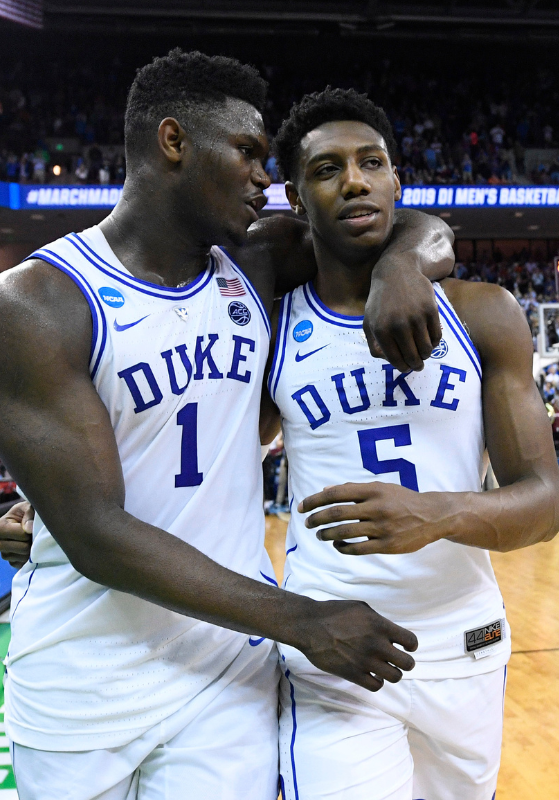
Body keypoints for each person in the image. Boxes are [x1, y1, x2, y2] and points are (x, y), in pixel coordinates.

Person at [0, 49, 452, 799]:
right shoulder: (34, 302)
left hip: (225, 671)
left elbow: (406, 222)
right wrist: (304, 619)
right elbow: (96, 534)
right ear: (173, 143)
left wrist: (401, 269)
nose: (267, 177)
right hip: (83, 671)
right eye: (249, 153)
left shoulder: (255, 265)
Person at [264, 88, 559, 799]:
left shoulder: (485, 314)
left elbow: (547, 500)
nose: (356, 179)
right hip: (334, 648)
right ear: (297, 202)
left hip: (467, 645)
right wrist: (45, 513)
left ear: (398, 181)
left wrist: (441, 513)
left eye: (372, 162)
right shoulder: (267, 329)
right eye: (328, 169)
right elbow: (197, 461)